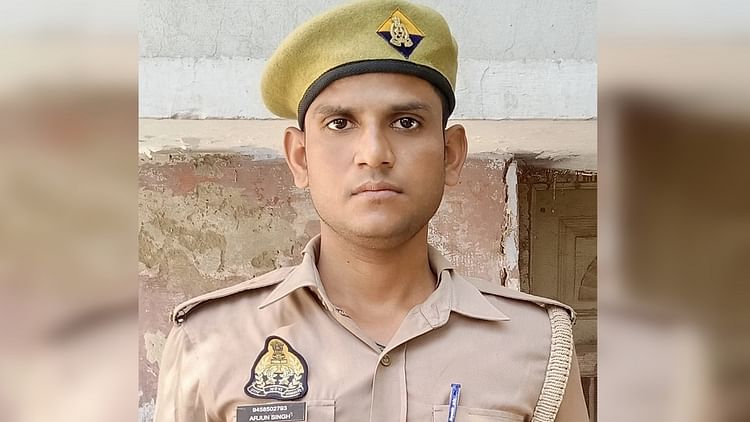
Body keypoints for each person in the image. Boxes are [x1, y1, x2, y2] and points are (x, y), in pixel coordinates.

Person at [154, 1, 590, 421]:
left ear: (451, 154)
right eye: (340, 123)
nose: (374, 153)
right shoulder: (209, 341)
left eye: (406, 123)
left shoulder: (535, 343)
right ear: (300, 158)